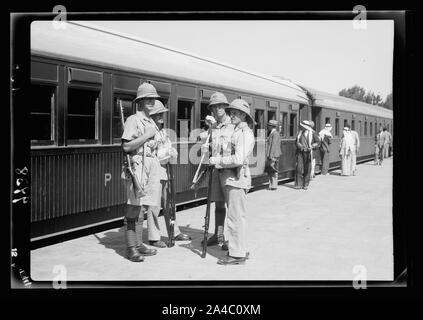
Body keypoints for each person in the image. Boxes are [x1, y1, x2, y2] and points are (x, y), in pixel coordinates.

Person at [208, 98, 255, 265]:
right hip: (230, 178)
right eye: (231, 112)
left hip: (236, 177)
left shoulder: (243, 133)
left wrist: (217, 160)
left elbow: (239, 158)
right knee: (236, 216)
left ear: (243, 115)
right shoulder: (237, 131)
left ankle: (236, 255)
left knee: (235, 217)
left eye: (235, 113)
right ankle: (239, 248)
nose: (231, 115)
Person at [121, 82, 162, 262]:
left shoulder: (150, 121)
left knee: (140, 209)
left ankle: (138, 244)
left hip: (148, 169)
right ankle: (131, 248)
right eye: (147, 98)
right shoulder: (133, 120)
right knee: (132, 209)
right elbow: (126, 146)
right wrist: (146, 136)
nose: (151, 101)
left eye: (153, 98)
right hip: (136, 169)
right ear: (140, 101)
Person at [149, 100, 191, 243]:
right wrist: (166, 153)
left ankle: (174, 231)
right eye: (158, 113)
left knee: (169, 203)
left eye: (162, 113)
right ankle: (154, 238)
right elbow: (153, 153)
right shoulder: (149, 131)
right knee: (154, 205)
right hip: (154, 170)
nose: (161, 116)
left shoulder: (163, 131)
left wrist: (170, 152)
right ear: (151, 115)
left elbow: (168, 148)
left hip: (166, 169)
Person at [200, 92, 235, 249]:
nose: (218, 108)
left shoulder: (233, 125)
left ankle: (232, 239)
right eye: (215, 106)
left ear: (225, 107)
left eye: (221, 105)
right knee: (218, 204)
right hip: (215, 170)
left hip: (229, 170)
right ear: (212, 109)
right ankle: (218, 234)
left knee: (231, 206)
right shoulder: (213, 127)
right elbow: (210, 146)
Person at [294, 120, 320, 190]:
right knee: (299, 168)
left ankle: (305, 184)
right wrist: (298, 145)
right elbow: (296, 142)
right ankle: (298, 184)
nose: (300, 127)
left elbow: (318, 142)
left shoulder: (312, 133)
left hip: (308, 153)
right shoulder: (299, 133)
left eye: (301, 126)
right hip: (300, 152)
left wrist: (312, 146)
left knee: (307, 168)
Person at [265, 119, 281, 190]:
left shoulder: (275, 133)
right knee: (270, 170)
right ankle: (271, 185)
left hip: (273, 155)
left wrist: (271, 155)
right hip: (271, 154)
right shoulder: (272, 133)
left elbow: (273, 145)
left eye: (269, 126)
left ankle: (274, 185)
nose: (268, 127)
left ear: (271, 126)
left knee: (273, 170)